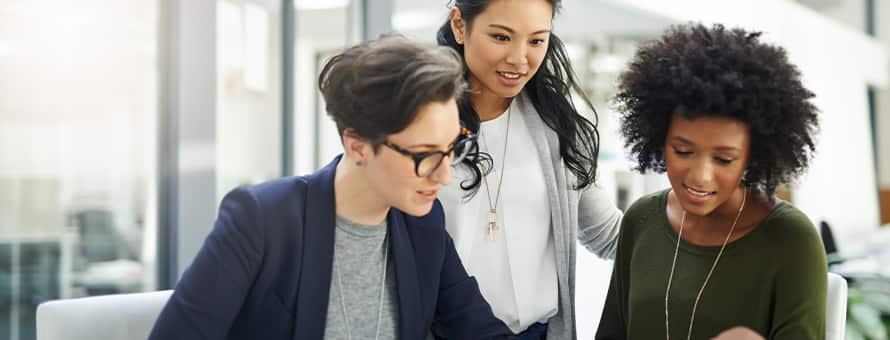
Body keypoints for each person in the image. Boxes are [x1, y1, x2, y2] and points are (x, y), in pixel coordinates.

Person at [148, 34, 514, 340]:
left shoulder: (423, 222)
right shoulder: (262, 220)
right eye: (424, 155)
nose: (444, 176)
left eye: (452, 149)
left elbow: (479, 329)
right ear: (356, 145)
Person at [595, 23, 826, 340]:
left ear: (753, 155)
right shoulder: (641, 220)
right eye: (683, 150)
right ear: (660, 138)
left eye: (724, 159)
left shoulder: (790, 240)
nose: (700, 176)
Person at [435, 0, 623, 338]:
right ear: (460, 25)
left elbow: (609, 235)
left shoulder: (556, 127)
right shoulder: (420, 127)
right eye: (502, 37)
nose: (520, 59)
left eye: (536, 40)